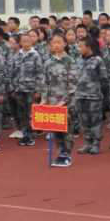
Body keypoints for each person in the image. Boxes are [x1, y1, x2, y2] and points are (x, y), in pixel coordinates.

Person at [42, 33, 78, 167]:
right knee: (55, 129)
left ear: (64, 44)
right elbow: (45, 83)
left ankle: (66, 154)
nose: (56, 45)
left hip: (66, 102)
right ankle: (60, 152)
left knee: (66, 129)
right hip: (52, 102)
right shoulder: (48, 62)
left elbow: (73, 84)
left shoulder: (70, 61)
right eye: (54, 43)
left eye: (59, 42)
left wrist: (64, 101)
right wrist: (44, 99)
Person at [76, 37, 108, 155]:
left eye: (81, 46)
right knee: (83, 121)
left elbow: (104, 78)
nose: (79, 48)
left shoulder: (98, 60)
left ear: (88, 47)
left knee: (95, 121)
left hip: (94, 96)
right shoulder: (78, 60)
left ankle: (96, 143)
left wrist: (101, 94)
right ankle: (87, 143)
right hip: (80, 95)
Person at [13, 31, 44, 146]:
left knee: (31, 113)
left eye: (27, 40)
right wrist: (13, 87)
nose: (25, 42)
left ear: (31, 42)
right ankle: (25, 134)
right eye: (23, 41)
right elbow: (13, 72)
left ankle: (31, 135)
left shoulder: (35, 55)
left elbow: (40, 73)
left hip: (31, 90)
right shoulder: (17, 55)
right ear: (20, 42)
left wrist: (38, 90)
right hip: (19, 89)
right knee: (22, 114)